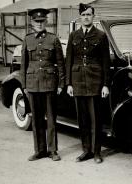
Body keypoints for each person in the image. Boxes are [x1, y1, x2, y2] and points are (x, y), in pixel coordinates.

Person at [65, 3, 111, 164]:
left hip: (95, 82)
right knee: (82, 119)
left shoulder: (101, 36)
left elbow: (106, 62)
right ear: (80, 17)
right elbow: (69, 60)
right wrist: (69, 83)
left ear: (93, 16)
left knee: (96, 120)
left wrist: (105, 84)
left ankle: (97, 152)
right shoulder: (73, 35)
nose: (86, 17)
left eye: (89, 14)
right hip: (77, 82)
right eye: (83, 15)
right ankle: (86, 151)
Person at [21, 8, 65, 161]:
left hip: (49, 83)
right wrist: (24, 85)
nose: (39, 24)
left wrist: (61, 84)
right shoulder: (27, 39)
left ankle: (52, 150)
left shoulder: (53, 39)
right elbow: (23, 64)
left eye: (42, 21)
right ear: (32, 22)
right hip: (33, 84)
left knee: (51, 118)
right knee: (37, 119)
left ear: (46, 22)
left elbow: (60, 63)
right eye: (36, 21)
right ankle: (39, 150)